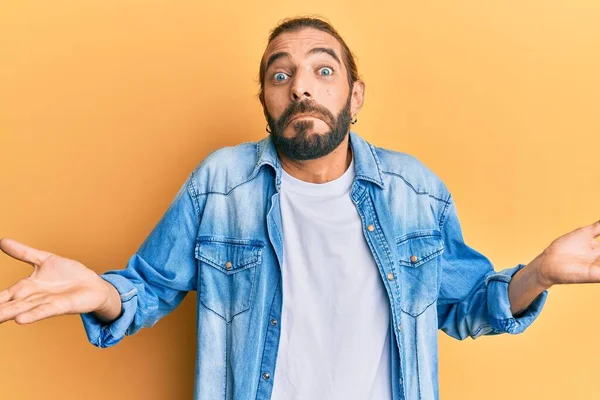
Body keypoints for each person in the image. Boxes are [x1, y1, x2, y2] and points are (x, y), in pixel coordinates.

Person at [0, 16, 598, 400]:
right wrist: (100, 293)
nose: (301, 86)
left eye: (322, 69)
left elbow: (470, 306)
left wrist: (540, 272)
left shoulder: (416, 192)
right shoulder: (220, 184)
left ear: (353, 95)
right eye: (280, 74)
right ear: (264, 97)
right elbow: (148, 290)